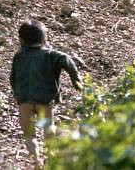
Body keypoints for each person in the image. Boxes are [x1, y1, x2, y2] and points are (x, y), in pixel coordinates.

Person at [10, 19, 82, 167]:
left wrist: (16, 92)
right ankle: (51, 156)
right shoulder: (50, 55)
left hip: (25, 99)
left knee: (29, 135)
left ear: (21, 40)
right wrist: (76, 80)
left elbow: (13, 77)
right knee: (49, 126)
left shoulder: (18, 56)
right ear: (45, 39)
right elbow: (66, 59)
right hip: (45, 99)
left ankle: (36, 161)